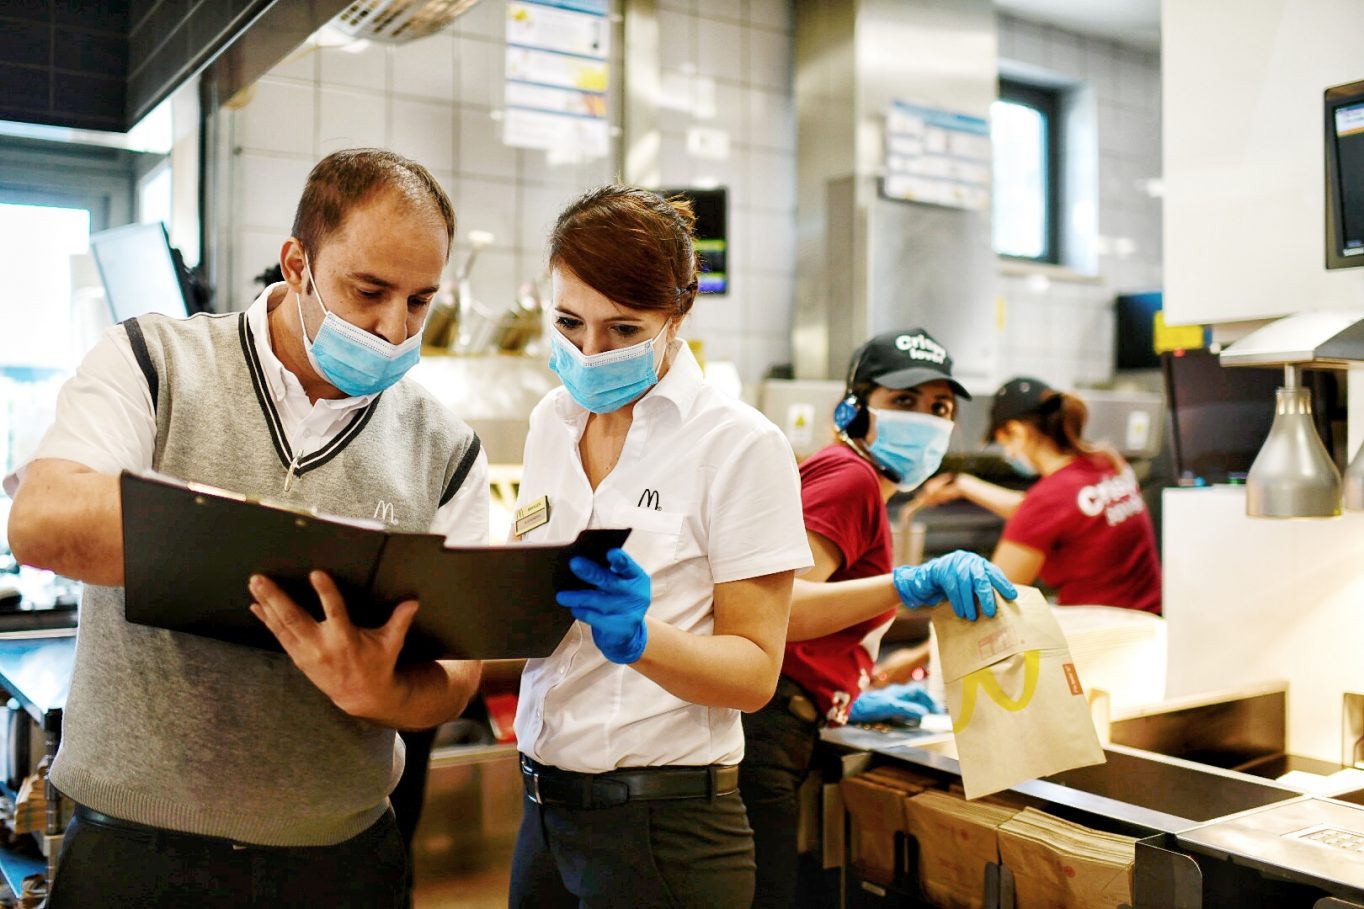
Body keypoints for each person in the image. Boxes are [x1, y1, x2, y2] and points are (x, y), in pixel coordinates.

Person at [4, 148, 489, 908]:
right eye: (369, 291)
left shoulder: (445, 448)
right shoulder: (153, 361)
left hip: (341, 864)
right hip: (136, 855)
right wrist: (243, 534)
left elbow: (457, 674)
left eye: (419, 301)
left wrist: (385, 689)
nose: (394, 328)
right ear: (297, 265)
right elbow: (41, 523)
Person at [507, 185, 813, 909]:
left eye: (623, 329)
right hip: (543, 812)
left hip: (665, 828)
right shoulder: (551, 420)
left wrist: (642, 638)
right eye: (569, 323)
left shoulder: (739, 444)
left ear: (679, 313)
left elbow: (754, 673)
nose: (590, 352)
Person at [739, 327, 1018, 909]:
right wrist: (906, 583)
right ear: (855, 408)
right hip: (765, 728)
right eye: (904, 400)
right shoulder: (851, 479)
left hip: (784, 720)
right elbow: (778, 609)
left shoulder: (854, 478)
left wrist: (845, 694)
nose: (925, 419)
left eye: (939, 407)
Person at [917, 376, 1162, 614]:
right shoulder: (1107, 462)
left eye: (1004, 443)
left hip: (1102, 633)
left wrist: (921, 646)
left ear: (1017, 432)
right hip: (1151, 621)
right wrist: (963, 484)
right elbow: (1049, 513)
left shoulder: (1048, 499)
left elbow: (991, 601)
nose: (1008, 454)